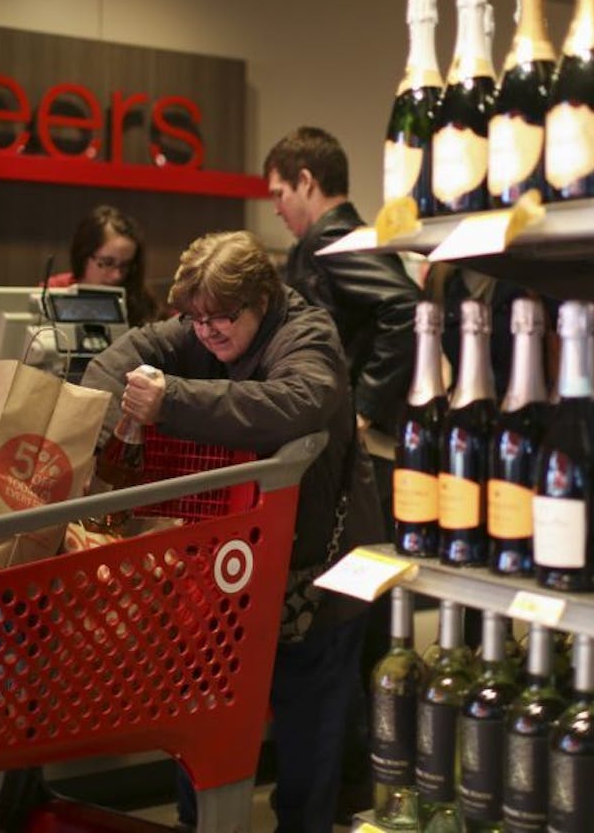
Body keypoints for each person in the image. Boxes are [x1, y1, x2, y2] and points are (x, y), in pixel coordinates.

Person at [81, 230, 383, 832]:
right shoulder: (197, 329)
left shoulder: (308, 333)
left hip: (319, 572)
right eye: (195, 320)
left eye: (222, 318)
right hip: (235, 570)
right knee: (206, 724)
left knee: (310, 742)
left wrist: (171, 400)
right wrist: (109, 413)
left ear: (262, 300)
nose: (207, 332)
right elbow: (112, 363)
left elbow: (298, 401)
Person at [264, 126, 422, 817]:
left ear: (306, 180)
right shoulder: (345, 239)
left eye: (278, 192)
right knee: (358, 638)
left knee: (346, 637)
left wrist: (357, 408)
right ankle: (361, 790)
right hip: (370, 467)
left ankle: (360, 790)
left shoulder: (331, 240)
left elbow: (404, 308)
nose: (275, 208)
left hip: (362, 468)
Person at [48, 204, 159, 325]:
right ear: (83, 255)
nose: (117, 276)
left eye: (125, 265)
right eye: (108, 262)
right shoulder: (54, 291)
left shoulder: (141, 300)